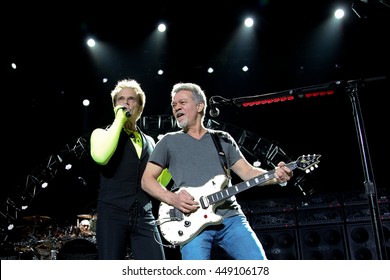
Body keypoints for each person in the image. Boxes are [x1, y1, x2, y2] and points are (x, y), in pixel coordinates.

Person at [141, 82, 294, 260]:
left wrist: (276, 176)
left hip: (231, 218)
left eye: (182, 102)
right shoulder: (168, 141)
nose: (176, 108)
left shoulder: (222, 138)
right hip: (191, 220)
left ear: (200, 106)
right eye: (174, 105)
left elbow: (248, 172)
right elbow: (147, 180)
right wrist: (172, 198)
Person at [90, 78, 171, 260]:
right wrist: (119, 119)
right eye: (120, 99)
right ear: (114, 106)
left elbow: (156, 182)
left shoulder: (150, 142)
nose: (125, 102)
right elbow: (101, 157)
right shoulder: (101, 134)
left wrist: (170, 162)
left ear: (140, 108)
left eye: (131, 99)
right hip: (112, 212)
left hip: (143, 212)